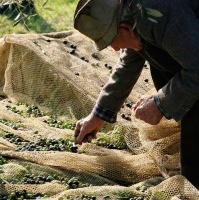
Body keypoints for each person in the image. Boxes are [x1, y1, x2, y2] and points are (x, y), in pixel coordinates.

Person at [73, 0, 199, 188]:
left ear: (125, 28)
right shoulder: (134, 16)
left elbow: (197, 69)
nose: (114, 49)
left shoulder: (158, 14)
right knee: (152, 55)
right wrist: (98, 115)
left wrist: (160, 103)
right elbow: (128, 64)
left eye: (111, 41)